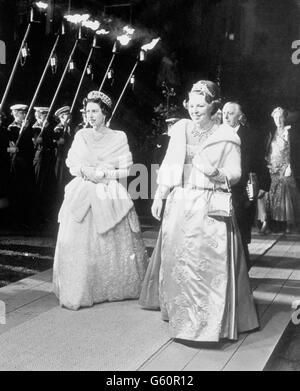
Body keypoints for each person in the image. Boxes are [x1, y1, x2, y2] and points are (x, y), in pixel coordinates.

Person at [139, 81, 258, 342]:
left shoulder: (227, 135)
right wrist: (160, 195)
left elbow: (235, 174)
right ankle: (181, 314)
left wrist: (215, 173)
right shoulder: (180, 129)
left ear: (213, 105)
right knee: (179, 262)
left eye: (200, 105)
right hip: (180, 202)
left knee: (205, 265)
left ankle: (207, 320)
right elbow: (170, 164)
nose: (194, 110)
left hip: (210, 204)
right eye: (191, 105)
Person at [53, 91, 148, 310]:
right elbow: (72, 164)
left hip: (109, 189)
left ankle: (117, 286)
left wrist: (106, 175)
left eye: (95, 111)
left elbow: (127, 168)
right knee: (78, 240)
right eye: (87, 111)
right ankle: (81, 288)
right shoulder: (81, 135)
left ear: (105, 113)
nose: (90, 115)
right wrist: (85, 171)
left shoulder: (119, 137)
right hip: (83, 188)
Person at [222, 102, 271, 268]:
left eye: (230, 113)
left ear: (239, 116)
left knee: (241, 229)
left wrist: (264, 184)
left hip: (242, 189)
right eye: (224, 113)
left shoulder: (251, 135)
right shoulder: (217, 134)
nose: (226, 116)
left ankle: (243, 269)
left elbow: (259, 162)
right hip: (222, 189)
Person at [259, 107, 300, 233]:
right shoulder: (271, 133)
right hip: (272, 167)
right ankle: (265, 221)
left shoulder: (290, 133)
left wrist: (289, 167)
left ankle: (289, 222)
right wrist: (266, 164)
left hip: (285, 167)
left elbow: (294, 152)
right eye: (276, 118)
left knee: (285, 190)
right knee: (266, 193)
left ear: (285, 118)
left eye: (281, 117)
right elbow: (267, 150)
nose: (278, 120)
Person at [7, 104, 36, 228]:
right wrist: (22, 130)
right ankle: (15, 220)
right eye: (21, 113)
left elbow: (30, 145)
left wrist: (26, 129)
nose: (24, 115)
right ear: (14, 114)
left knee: (26, 191)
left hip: (27, 162)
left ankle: (26, 219)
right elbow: (14, 145)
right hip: (17, 162)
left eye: (25, 113)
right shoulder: (11, 128)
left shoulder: (27, 128)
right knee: (17, 190)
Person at [32, 107, 57, 224]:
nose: (43, 117)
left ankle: (46, 214)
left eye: (46, 115)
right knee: (38, 185)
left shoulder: (50, 128)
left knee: (48, 186)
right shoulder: (35, 128)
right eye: (41, 115)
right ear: (37, 115)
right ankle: (37, 214)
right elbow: (34, 142)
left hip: (49, 159)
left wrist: (46, 130)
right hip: (39, 159)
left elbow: (53, 140)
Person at [53, 106, 73, 193]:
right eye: (66, 115)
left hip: (68, 158)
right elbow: (54, 142)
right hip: (60, 158)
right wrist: (58, 141)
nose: (69, 117)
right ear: (61, 117)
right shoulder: (58, 129)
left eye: (69, 115)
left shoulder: (70, 128)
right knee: (60, 181)